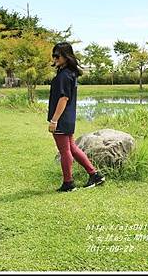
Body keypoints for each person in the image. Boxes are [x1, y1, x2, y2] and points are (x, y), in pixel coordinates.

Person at [48, 42, 105, 192]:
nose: (54, 58)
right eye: (53, 55)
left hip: (61, 118)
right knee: (71, 148)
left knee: (64, 150)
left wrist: (54, 120)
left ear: (66, 57)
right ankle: (95, 175)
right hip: (68, 117)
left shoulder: (64, 75)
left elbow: (63, 99)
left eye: (57, 55)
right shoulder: (68, 73)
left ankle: (68, 183)